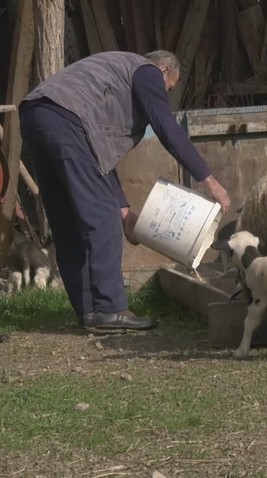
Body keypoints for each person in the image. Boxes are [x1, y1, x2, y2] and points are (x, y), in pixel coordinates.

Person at [18, 50, 231, 331]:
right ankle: (110, 309)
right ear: (164, 70)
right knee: (103, 218)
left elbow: (99, 158)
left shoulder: (110, 82)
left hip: (36, 114)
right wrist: (209, 180)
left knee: (68, 220)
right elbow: (167, 127)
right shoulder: (146, 71)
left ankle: (89, 312)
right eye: (169, 87)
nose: (164, 93)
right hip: (65, 120)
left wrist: (125, 210)